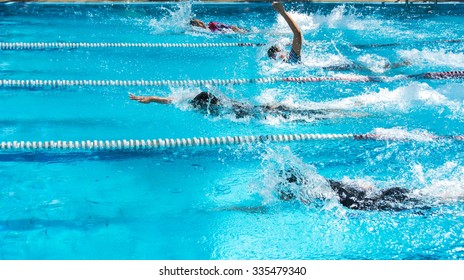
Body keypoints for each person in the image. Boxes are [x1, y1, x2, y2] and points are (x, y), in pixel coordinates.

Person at [279, 167, 434, 211]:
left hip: (377, 201)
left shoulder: (316, 192)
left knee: (432, 201)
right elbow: (357, 184)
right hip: (382, 193)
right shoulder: (325, 182)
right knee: (430, 196)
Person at [129, 92, 359, 121]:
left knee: (311, 116)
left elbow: (177, 102)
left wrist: (151, 99)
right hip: (267, 107)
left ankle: (347, 114)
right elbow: (176, 101)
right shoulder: (223, 104)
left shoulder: (226, 110)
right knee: (310, 113)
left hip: (267, 112)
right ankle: (344, 113)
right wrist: (150, 98)